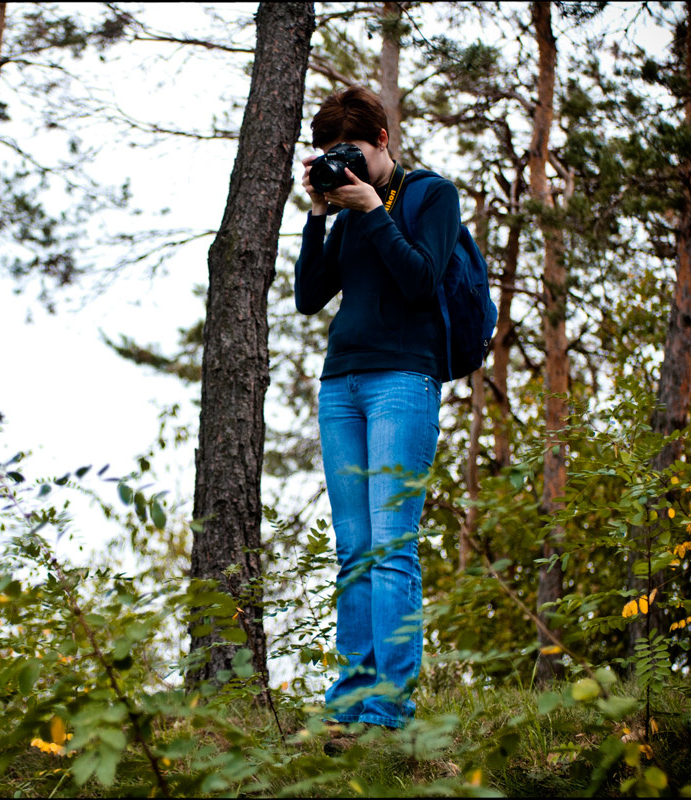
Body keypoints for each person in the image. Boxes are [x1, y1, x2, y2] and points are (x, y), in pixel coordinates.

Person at [294, 86, 460, 736]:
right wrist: (317, 215)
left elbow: (422, 279)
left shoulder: (428, 195)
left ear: (383, 140)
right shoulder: (345, 210)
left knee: (392, 547)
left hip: (403, 381)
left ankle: (389, 711)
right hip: (342, 386)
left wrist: (370, 210)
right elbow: (310, 296)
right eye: (332, 154)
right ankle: (350, 705)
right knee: (355, 549)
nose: (345, 162)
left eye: (353, 150)